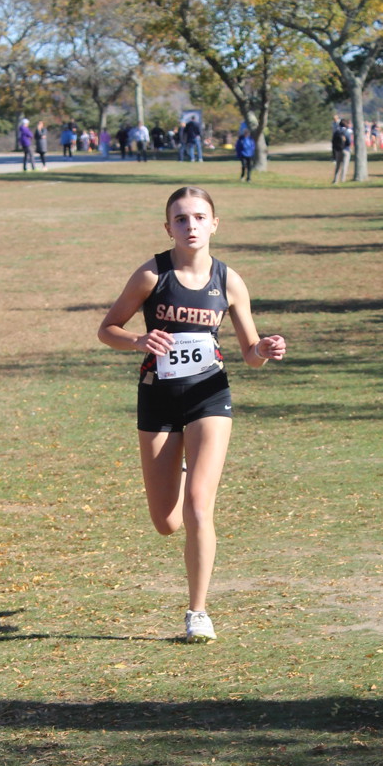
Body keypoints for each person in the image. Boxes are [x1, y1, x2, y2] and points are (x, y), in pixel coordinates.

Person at [97, 185, 286, 643]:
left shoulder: (230, 281)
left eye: (200, 217)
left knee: (200, 507)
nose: (191, 226)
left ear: (214, 224)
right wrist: (138, 340)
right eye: (181, 219)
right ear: (168, 228)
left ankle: (197, 612)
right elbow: (107, 329)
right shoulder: (151, 275)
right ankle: (180, 469)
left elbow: (250, 353)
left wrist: (263, 349)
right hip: (157, 397)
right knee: (167, 522)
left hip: (209, 396)